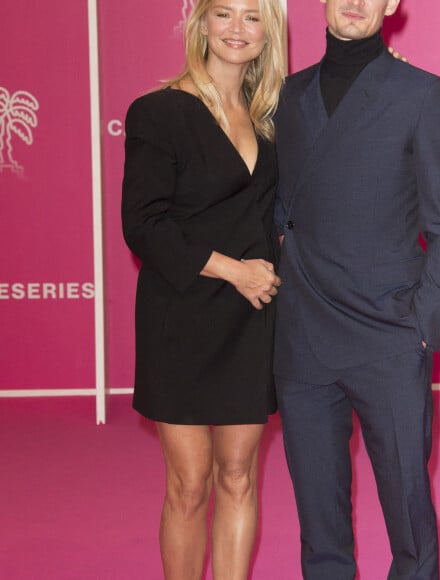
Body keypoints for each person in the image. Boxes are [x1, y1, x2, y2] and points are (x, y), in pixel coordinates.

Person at [273, 0, 440, 578]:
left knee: (410, 523)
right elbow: (282, 204)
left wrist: (418, 332)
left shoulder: (422, 94)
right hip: (304, 338)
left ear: (391, 4)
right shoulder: (289, 96)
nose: (355, 2)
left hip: (388, 337)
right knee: (319, 528)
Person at [121, 0, 285, 578]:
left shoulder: (271, 118)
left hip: (250, 319)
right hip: (183, 314)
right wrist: (232, 269)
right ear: (201, 25)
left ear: (269, 34)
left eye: (252, 16)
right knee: (189, 485)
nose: (237, 28)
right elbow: (142, 222)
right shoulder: (159, 112)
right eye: (223, 14)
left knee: (239, 475)